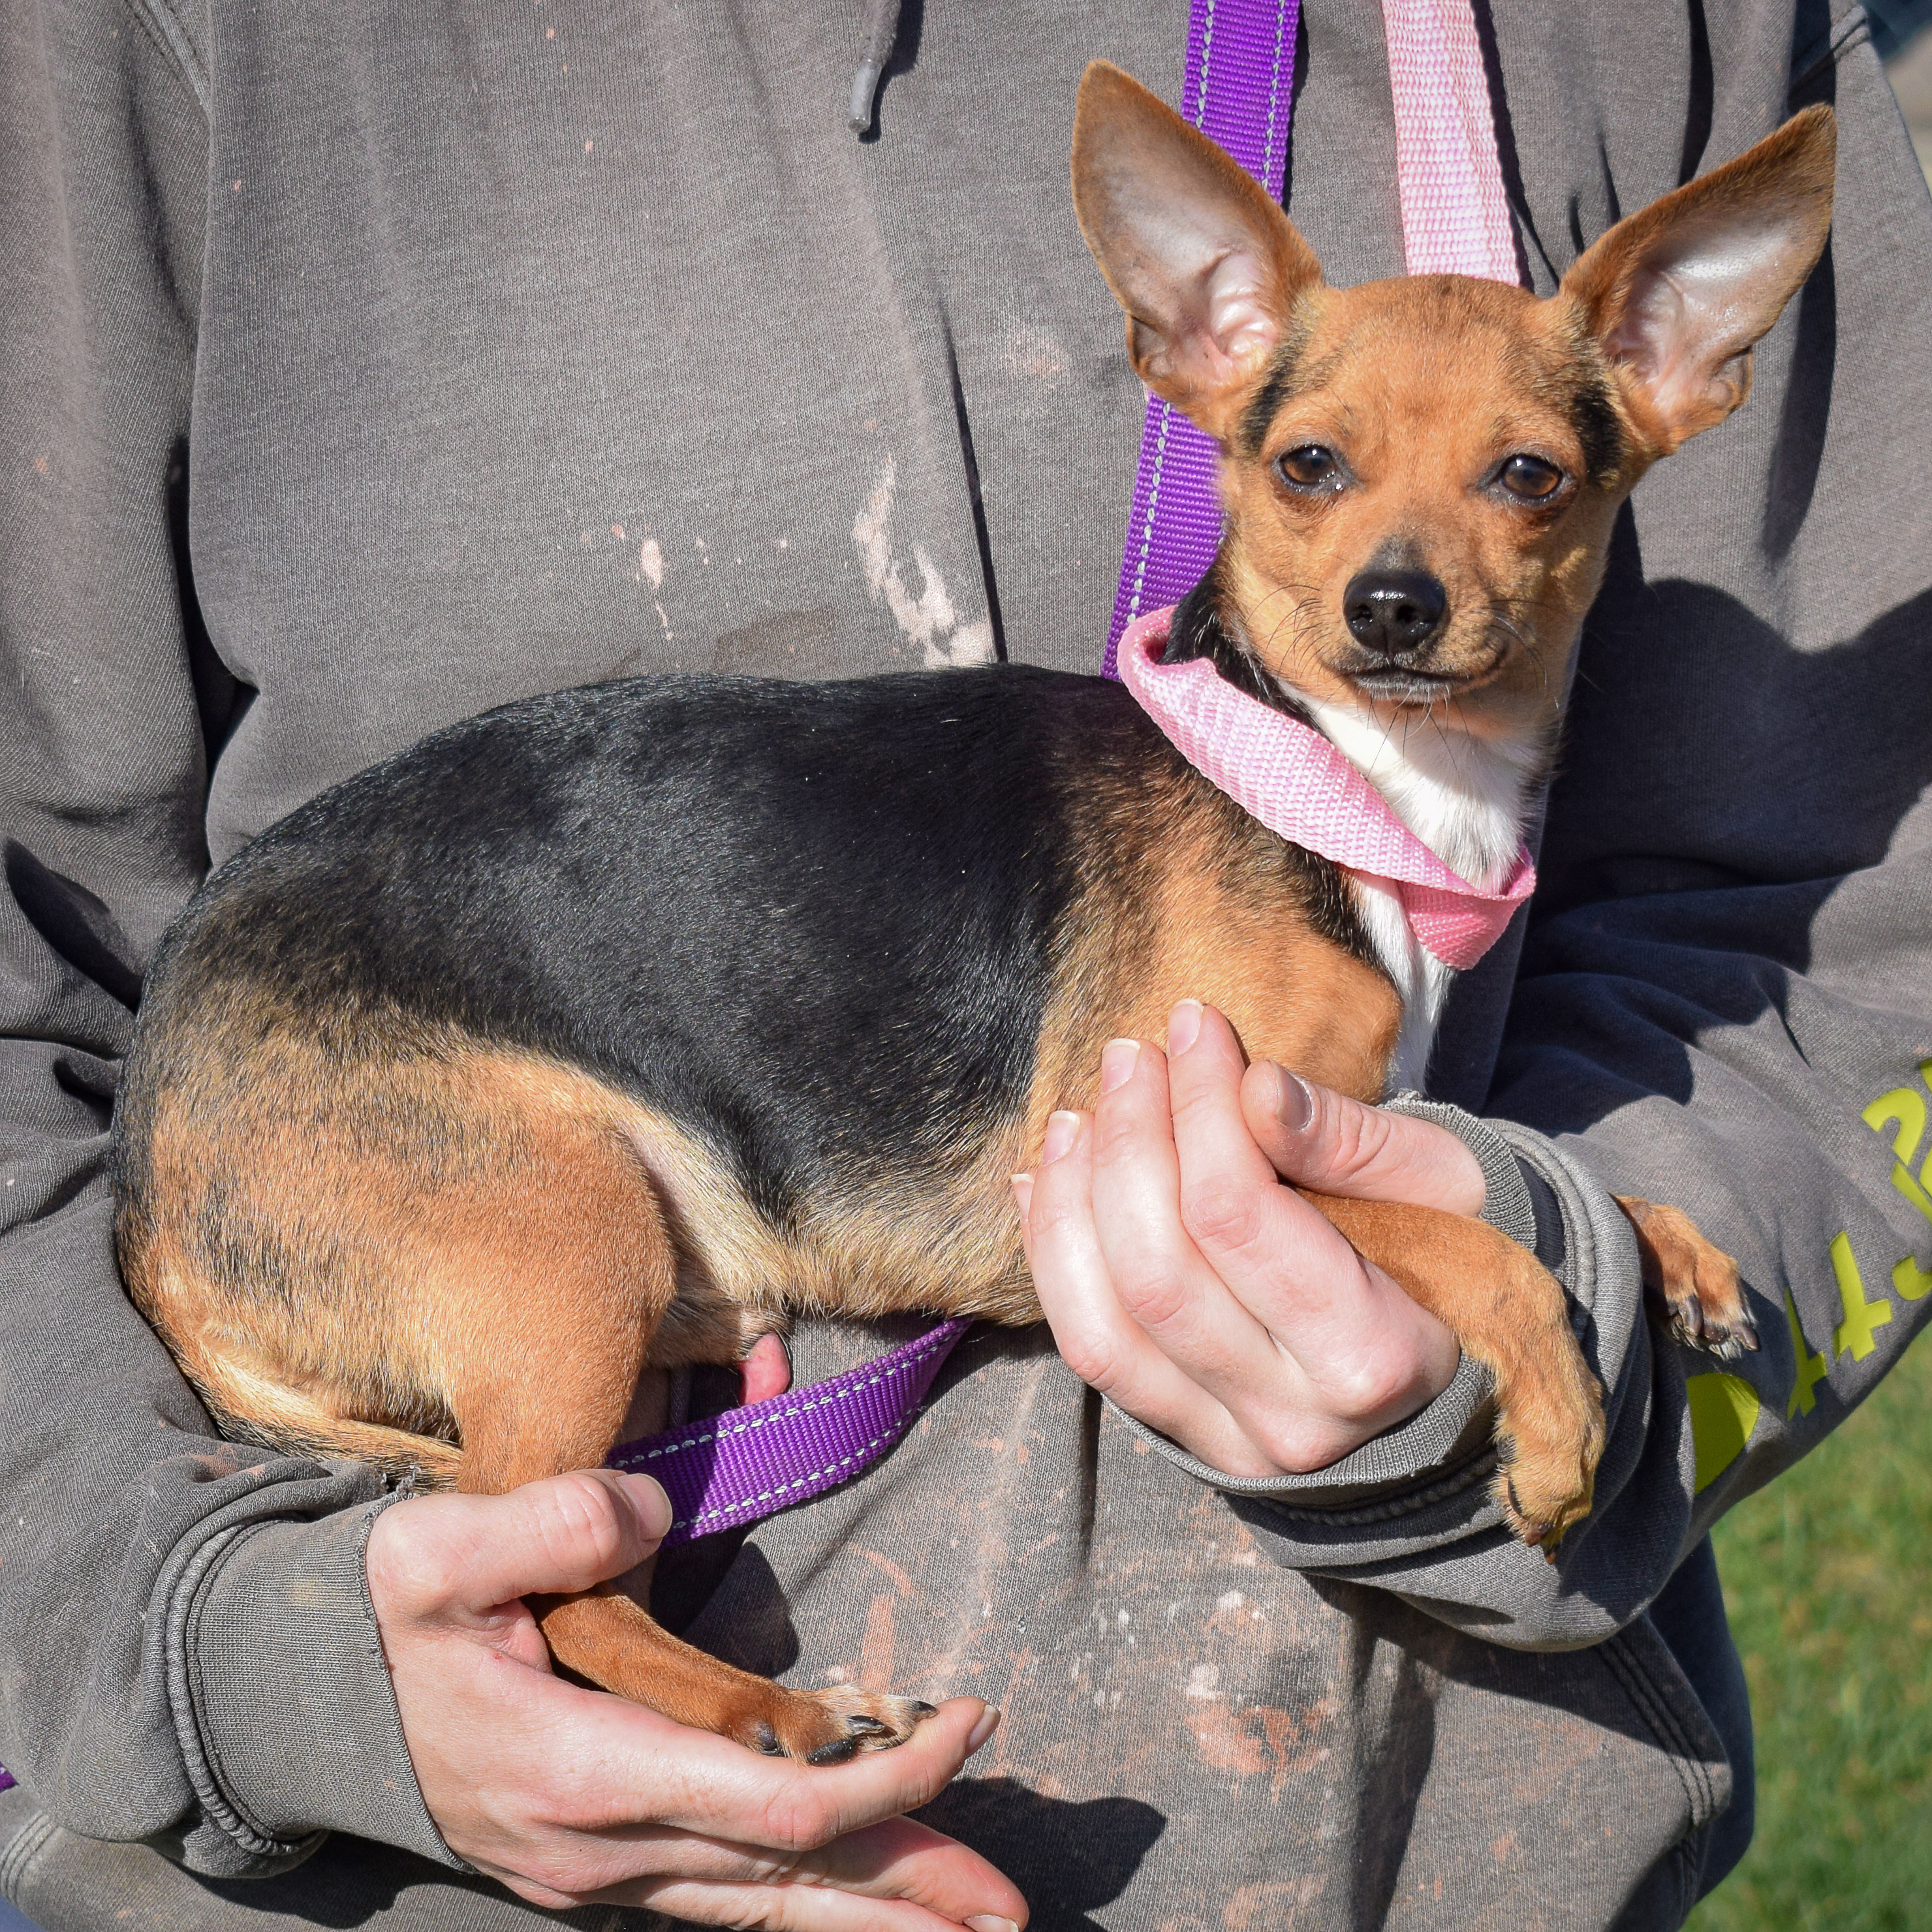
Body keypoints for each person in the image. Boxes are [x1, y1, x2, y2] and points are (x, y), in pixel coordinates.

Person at [2, 1, 1928, 1925]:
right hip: (368, 1154)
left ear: (1672, 377)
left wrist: (1600, 1233)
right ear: (1199, 350)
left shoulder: (1653, 34)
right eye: (1325, 468)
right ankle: (625, 1647)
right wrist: (245, 1660)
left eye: (1517, 477)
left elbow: (1847, 962)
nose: (1404, 563)